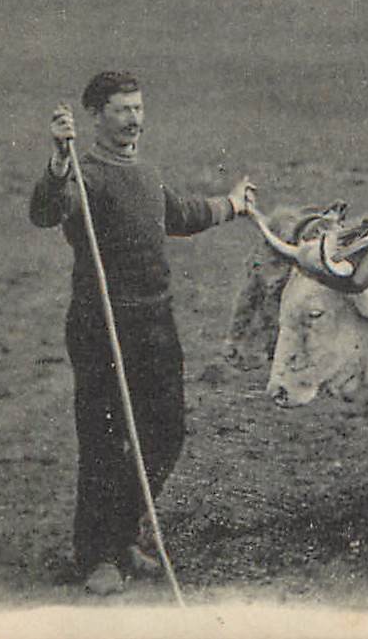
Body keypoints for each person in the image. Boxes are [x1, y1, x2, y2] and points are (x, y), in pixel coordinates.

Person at [29, 71, 254, 595]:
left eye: (138, 108)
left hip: (156, 322)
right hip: (102, 324)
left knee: (166, 433)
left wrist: (233, 205)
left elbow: (181, 214)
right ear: (96, 117)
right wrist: (60, 161)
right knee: (106, 441)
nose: (135, 119)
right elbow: (46, 211)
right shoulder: (85, 175)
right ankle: (97, 556)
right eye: (122, 110)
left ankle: (124, 534)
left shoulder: (144, 172)